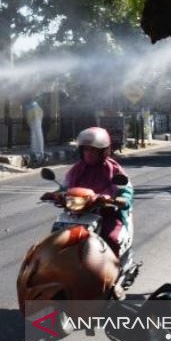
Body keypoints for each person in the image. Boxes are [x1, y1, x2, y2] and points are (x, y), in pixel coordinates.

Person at [41, 127, 134, 257]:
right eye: (86, 149)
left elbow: (126, 189)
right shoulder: (77, 169)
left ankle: (116, 269)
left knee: (112, 239)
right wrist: (54, 195)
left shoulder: (113, 169)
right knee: (53, 240)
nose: (89, 153)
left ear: (103, 151)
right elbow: (65, 187)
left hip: (105, 213)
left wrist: (122, 199)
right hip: (76, 212)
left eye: (93, 150)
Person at [23, 98, 45, 165]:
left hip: (34, 120)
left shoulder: (30, 106)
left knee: (35, 136)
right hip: (36, 120)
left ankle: (36, 152)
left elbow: (29, 116)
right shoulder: (36, 106)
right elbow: (41, 114)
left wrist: (29, 122)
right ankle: (38, 152)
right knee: (37, 136)